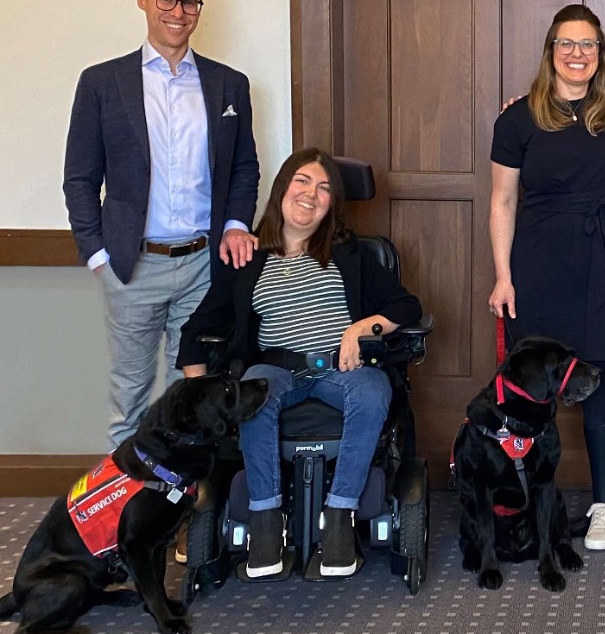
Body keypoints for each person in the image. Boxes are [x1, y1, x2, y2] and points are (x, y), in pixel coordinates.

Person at [177, 148, 422, 578]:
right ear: (282, 189)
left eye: (324, 188)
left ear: (332, 204)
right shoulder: (248, 258)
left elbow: (407, 306)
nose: (312, 194)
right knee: (255, 390)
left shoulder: (352, 254)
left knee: (373, 388)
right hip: (275, 369)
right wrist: (197, 397)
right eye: (303, 182)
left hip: (341, 369)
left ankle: (341, 516)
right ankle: (266, 520)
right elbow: (197, 331)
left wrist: (361, 328)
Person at [63, 0, 260, 448]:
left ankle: (182, 513)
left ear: (199, 8)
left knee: (192, 395)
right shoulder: (103, 83)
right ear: (143, 0)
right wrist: (97, 255)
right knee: (130, 394)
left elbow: (243, 167)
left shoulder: (227, 84)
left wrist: (236, 223)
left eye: (189, 1)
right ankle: (124, 511)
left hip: (202, 263)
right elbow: (80, 177)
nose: (178, 10)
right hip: (132, 264)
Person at [488, 4, 605, 552]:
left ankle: (604, 504)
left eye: (588, 45)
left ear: (600, 55)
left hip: (600, 258)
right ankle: (527, 500)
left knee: (599, 380)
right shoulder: (518, 118)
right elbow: (502, 200)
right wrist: (503, 277)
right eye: (567, 44)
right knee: (533, 386)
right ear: (550, 50)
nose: (578, 54)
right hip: (538, 261)